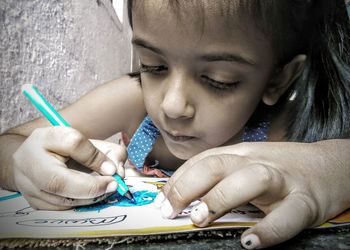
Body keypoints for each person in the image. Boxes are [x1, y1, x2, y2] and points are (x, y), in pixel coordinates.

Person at [0, 0, 349, 248]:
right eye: (153, 66)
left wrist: (331, 163)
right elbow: (9, 144)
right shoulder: (131, 102)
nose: (172, 105)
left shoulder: (288, 134)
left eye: (219, 78)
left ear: (277, 79)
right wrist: (26, 167)